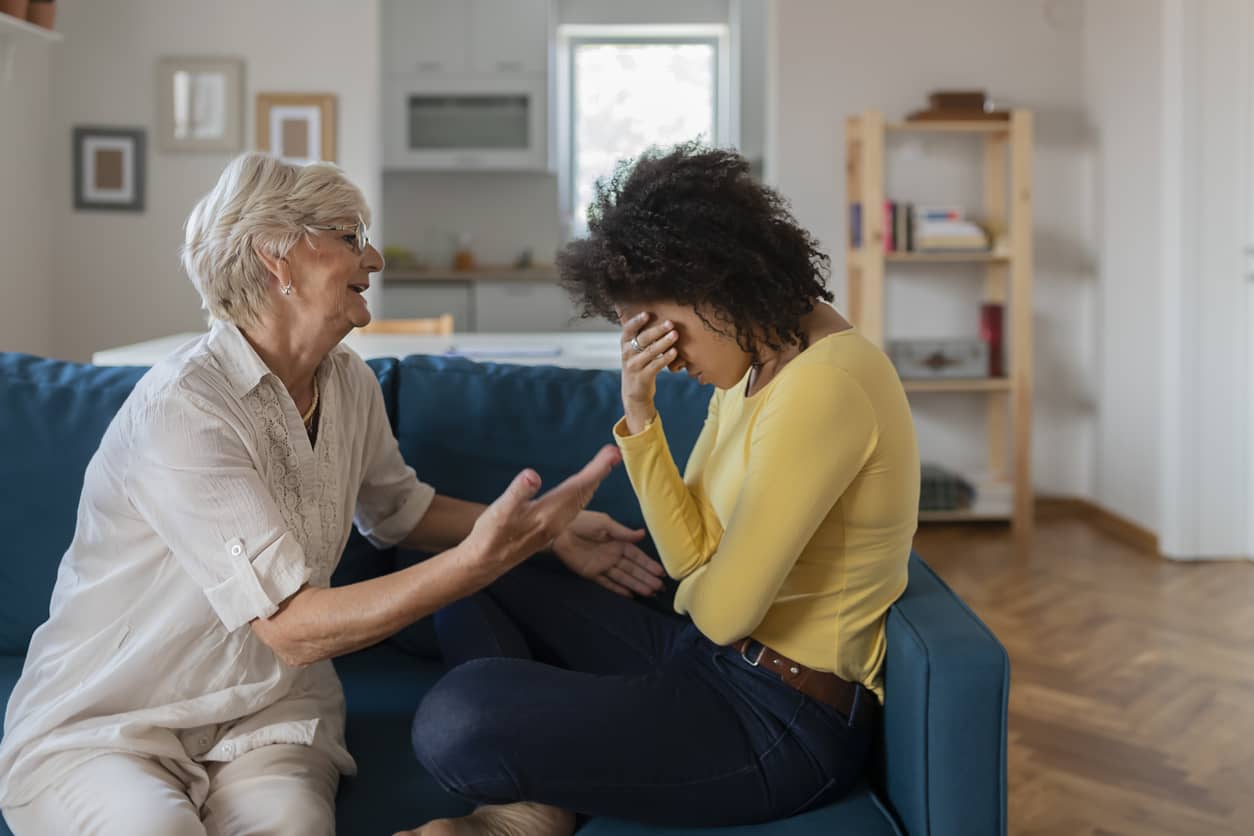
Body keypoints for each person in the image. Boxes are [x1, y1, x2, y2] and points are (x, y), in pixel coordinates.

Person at [0, 152, 656, 836]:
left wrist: (547, 530)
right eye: (350, 236)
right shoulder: (185, 409)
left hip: (268, 717)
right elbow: (292, 627)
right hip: (115, 720)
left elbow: (400, 513)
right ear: (276, 259)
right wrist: (479, 562)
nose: (372, 259)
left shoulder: (347, 382)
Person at [401, 142, 921, 836]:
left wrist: (709, 586)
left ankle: (536, 787)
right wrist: (640, 413)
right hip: (711, 664)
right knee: (469, 572)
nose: (665, 355)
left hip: (781, 722)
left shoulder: (826, 385)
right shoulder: (757, 363)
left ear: (715, 286)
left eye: (663, 329)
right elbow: (688, 560)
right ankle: (534, 800)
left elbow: (724, 612)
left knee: (457, 719)